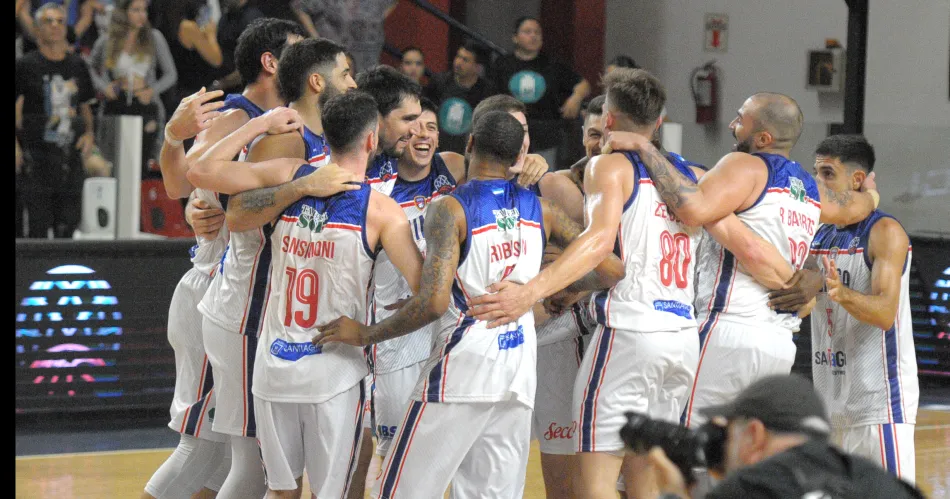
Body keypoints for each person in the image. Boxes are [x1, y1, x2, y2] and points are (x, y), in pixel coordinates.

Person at [466, 69, 809, 498]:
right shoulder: (694, 176)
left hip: (630, 332)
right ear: (659, 122)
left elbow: (597, 243)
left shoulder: (609, 166)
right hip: (682, 338)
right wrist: (805, 277)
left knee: (596, 481)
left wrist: (527, 293)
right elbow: (761, 232)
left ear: (609, 120)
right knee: (646, 480)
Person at [313, 110, 625, 499]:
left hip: (461, 369)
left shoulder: (450, 208)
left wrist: (365, 334)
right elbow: (611, 268)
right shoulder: (543, 209)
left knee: (399, 491)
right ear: (518, 157)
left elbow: (433, 302)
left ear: (471, 143)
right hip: (516, 370)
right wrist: (547, 289)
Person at [601, 92, 880, 432]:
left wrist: (645, 148)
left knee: (689, 445)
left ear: (763, 138)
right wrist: (871, 195)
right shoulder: (812, 189)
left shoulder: (745, 165)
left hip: (729, 329)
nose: (732, 125)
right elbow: (853, 208)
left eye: (740, 119)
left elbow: (692, 208)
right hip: (779, 342)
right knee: (741, 448)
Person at [144, 17, 309, 499]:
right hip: (215, 289)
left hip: (239, 291)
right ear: (271, 62)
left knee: (220, 464)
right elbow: (183, 181)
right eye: (298, 49)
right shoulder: (237, 115)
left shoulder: (284, 120)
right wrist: (173, 139)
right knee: (200, 451)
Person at [186, 37, 356, 499]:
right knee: (252, 468)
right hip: (247, 309)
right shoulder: (285, 136)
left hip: (277, 315)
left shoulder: (324, 139)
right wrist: (302, 186)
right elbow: (238, 213)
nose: (353, 84)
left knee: (262, 468)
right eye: (345, 74)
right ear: (317, 81)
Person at [771, 135, 919, 482]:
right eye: (816, 172)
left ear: (856, 180)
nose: (818, 182)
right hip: (831, 401)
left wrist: (840, 293)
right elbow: (803, 300)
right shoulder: (819, 236)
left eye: (827, 173)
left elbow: (885, 314)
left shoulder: (885, 231)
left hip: (878, 402)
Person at [643, 374, 924, 499]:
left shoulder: (751, 487)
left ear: (754, 435)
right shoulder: (885, 484)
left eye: (731, 434)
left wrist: (673, 493)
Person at [15, 2, 96, 239]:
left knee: (68, 227)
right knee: (37, 228)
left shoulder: (78, 65)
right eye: (48, 21)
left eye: (60, 21)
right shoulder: (26, 65)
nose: (55, 26)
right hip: (36, 157)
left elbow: (86, 105)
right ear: (37, 29)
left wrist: (89, 134)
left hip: (70, 157)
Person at [88, 0, 178, 176]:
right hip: (116, 103)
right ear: (123, 12)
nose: (142, 15)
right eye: (136, 10)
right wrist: (104, 87)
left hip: (145, 105)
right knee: (113, 161)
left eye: (144, 10)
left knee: (143, 162)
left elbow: (171, 74)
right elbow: (89, 66)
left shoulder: (154, 37)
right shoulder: (108, 39)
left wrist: (152, 91)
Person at [491, 16, 590, 168]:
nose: (533, 36)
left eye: (537, 32)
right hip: (511, 134)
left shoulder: (552, 64)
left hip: (546, 135)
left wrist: (576, 98)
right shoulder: (502, 64)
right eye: (527, 32)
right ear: (515, 37)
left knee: (543, 176)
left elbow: (583, 85)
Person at [424, 40, 495, 154]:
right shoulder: (440, 82)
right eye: (458, 56)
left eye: (465, 60)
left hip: (467, 152)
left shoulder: (487, 91)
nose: (458, 62)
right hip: (437, 148)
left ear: (477, 67)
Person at [305, 0, 398, 74]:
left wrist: (378, 17)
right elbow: (301, 7)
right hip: (333, 55)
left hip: (367, 57)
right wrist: (315, 37)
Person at [211, 0, 264, 94]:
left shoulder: (252, 18)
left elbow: (254, 65)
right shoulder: (225, 19)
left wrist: (222, 83)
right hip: (225, 88)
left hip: (247, 90)